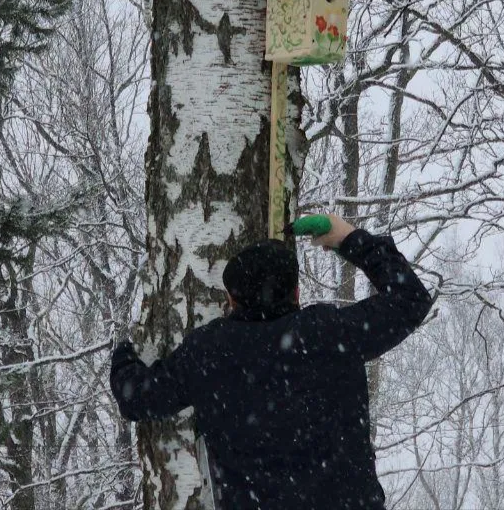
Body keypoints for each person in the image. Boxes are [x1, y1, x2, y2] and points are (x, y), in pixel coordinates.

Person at [110, 214, 433, 510]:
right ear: (296, 292)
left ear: (231, 299)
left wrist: (124, 352)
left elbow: (137, 398)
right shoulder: (330, 333)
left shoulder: (208, 351)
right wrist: (348, 237)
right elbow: (410, 300)